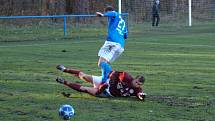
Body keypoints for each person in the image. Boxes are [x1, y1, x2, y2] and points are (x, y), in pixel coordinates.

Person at [56, 65, 146, 101]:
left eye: (139, 84)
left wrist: (141, 96)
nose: (137, 84)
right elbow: (113, 73)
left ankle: (64, 82)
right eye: (136, 82)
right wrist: (112, 79)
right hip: (105, 82)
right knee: (84, 76)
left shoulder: (137, 89)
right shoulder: (126, 76)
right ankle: (65, 69)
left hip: (107, 93)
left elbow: (140, 95)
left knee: (85, 89)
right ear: (134, 78)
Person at [96, 6, 128, 85]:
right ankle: (104, 82)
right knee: (105, 64)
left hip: (112, 42)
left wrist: (103, 15)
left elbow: (113, 13)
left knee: (100, 63)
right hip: (120, 46)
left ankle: (113, 77)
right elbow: (126, 35)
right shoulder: (122, 21)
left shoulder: (115, 14)